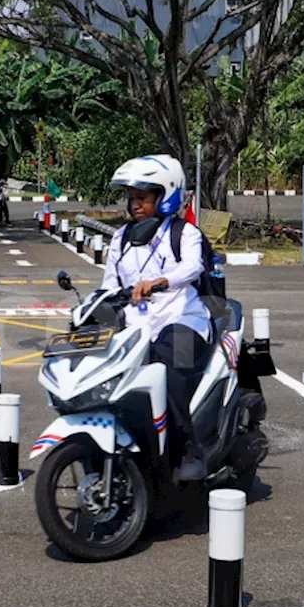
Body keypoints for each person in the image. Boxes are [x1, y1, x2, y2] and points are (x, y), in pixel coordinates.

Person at [100, 154, 212, 481]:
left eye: (143, 198)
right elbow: (109, 284)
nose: (135, 205)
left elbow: (193, 267)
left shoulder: (183, 233)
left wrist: (159, 282)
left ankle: (190, 448)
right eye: (132, 198)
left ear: (165, 196)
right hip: (137, 328)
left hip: (181, 319)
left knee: (165, 368)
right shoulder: (121, 238)